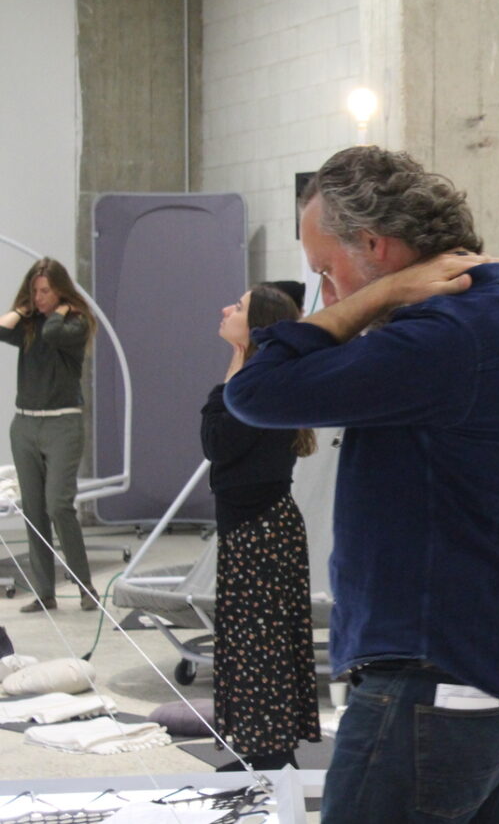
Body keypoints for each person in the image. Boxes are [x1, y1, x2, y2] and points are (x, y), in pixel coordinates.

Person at [223, 146, 499, 824]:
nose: (327, 293)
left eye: (328, 269)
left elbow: (254, 390)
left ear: (375, 244)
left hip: (432, 684)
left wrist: (381, 294)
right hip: (497, 673)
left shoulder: (439, 338)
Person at [202, 283, 320, 771]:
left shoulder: (260, 384)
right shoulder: (249, 376)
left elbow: (218, 443)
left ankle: (273, 754)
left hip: (262, 530)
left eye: (240, 306)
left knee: (263, 646)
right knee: (249, 642)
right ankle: (262, 749)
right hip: (252, 527)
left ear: (257, 327)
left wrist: (232, 374)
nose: (227, 307)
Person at [0, 258, 98, 613]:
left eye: (45, 291)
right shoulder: (30, 323)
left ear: (60, 290)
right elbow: (0, 328)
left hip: (62, 424)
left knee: (58, 503)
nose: (38, 297)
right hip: (25, 424)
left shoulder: (76, 322)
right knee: (34, 510)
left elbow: (54, 334)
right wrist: (25, 307)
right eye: (34, 291)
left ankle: (84, 584)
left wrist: (59, 308)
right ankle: (44, 591)